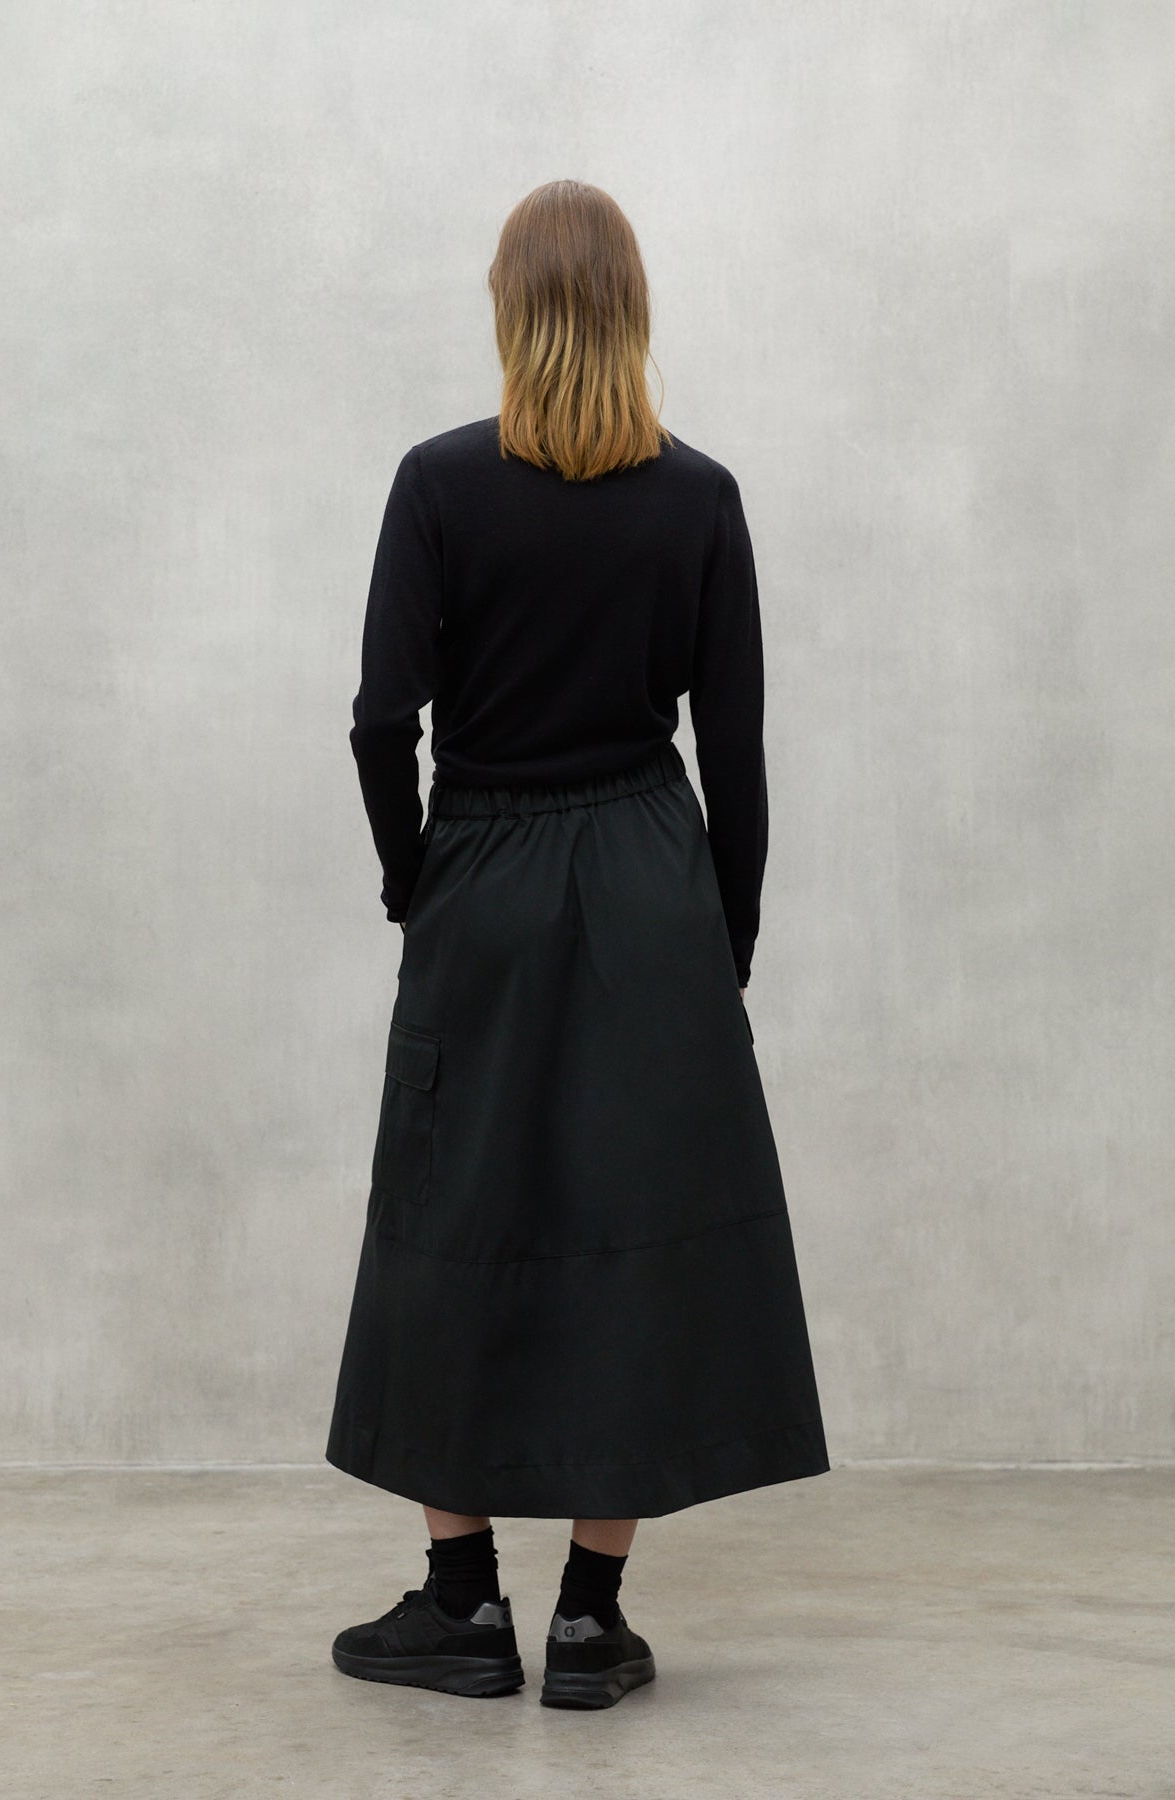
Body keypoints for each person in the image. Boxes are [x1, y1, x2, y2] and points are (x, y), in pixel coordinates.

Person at [324, 178, 830, 1710]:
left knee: (449, 1218)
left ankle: (463, 1605)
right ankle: (592, 1625)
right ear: (632, 310)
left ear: (507, 306)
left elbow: (381, 722)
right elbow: (735, 750)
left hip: (483, 869)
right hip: (649, 883)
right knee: (637, 1231)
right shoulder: (701, 497)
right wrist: (721, 942)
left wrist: (418, 886)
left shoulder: (437, 484)